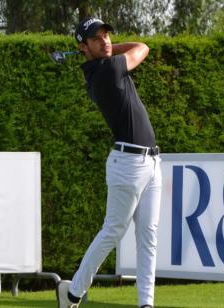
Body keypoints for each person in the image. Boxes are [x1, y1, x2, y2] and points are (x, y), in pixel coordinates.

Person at [56, 16, 162, 308]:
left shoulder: (102, 63)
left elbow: (136, 48)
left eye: (106, 36)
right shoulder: (103, 70)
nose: (105, 41)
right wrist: (112, 51)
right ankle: (74, 292)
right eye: (96, 38)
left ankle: (146, 304)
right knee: (113, 231)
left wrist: (106, 48)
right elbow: (142, 47)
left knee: (148, 237)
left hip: (151, 162)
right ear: (83, 47)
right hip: (127, 164)